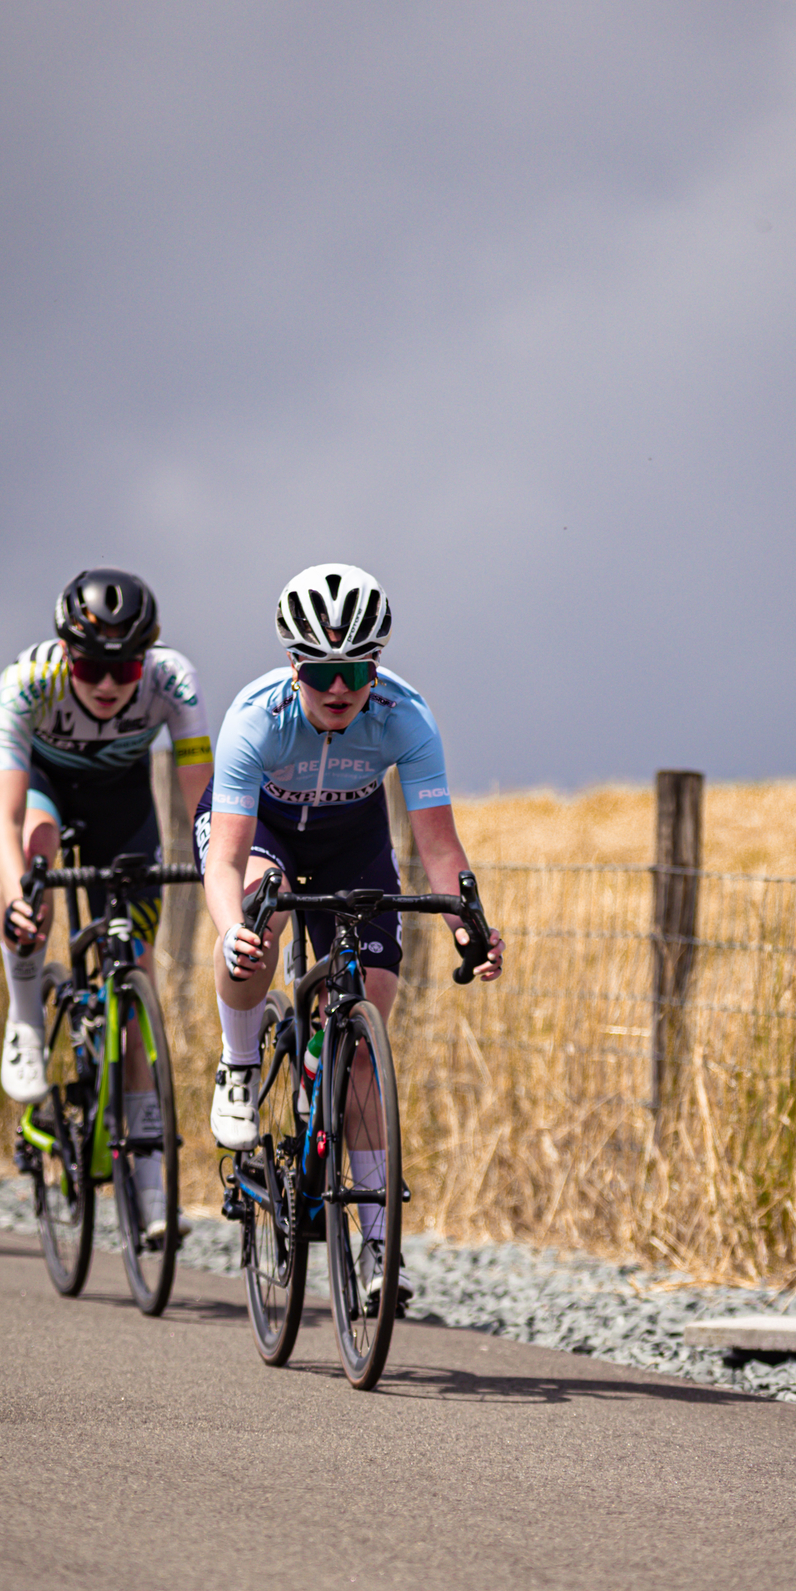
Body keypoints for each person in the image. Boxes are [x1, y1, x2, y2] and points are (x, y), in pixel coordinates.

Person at [199, 561, 503, 1312]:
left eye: (356, 670)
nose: (339, 689)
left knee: (364, 1045)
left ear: (376, 665)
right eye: (324, 671)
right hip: (265, 830)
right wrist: (232, 928)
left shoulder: (406, 716)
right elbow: (224, 861)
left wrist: (474, 923)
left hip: (351, 840)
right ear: (296, 665)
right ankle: (240, 1065)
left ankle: (375, 1248)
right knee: (258, 907)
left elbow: (439, 847)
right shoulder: (254, 719)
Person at [0, 569, 212, 1246]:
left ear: (148, 658)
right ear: (64, 655)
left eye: (125, 667)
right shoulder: (25, 682)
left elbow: (203, 800)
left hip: (122, 800)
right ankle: (26, 1019)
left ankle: (150, 1191)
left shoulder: (173, 681)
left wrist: (219, 868)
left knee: (133, 970)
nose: (109, 684)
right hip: (42, 789)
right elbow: (3, 819)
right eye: (90, 666)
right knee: (35, 853)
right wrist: (18, 892)